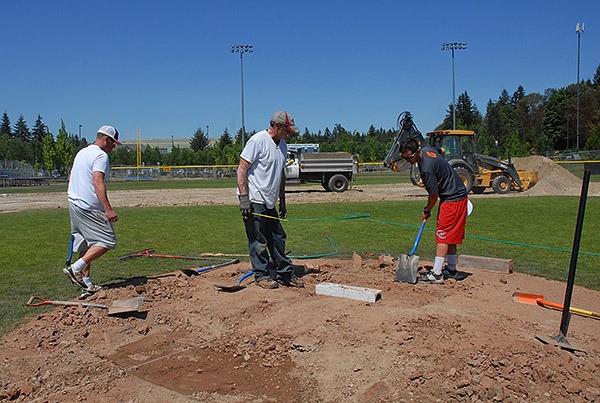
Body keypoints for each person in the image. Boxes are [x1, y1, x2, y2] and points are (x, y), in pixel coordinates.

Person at [236, 111, 304, 289]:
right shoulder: (257, 141)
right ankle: (262, 275)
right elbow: (242, 168)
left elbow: (281, 174)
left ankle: (285, 273)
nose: (289, 134)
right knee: (258, 240)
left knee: (278, 237)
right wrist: (244, 198)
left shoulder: (282, 145)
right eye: (286, 130)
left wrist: (282, 198)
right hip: (254, 199)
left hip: (270, 200)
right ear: (276, 126)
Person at [63, 125, 122, 298]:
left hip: (73, 202)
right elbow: (98, 181)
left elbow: (70, 177)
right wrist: (108, 209)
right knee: (107, 241)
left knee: (86, 244)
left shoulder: (82, 152)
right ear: (106, 139)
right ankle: (75, 268)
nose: (114, 146)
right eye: (113, 143)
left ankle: (86, 284)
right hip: (89, 206)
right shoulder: (100, 155)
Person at [399, 138, 468, 284]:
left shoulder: (426, 169)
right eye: (405, 158)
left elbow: (433, 195)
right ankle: (451, 269)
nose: (409, 161)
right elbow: (441, 151)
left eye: (410, 157)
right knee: (450, 235)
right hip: (458, 195)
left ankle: (437, 273)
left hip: (452, 199)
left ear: (417, 151)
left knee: (442, 234)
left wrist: (427, 210)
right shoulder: (428, 150)